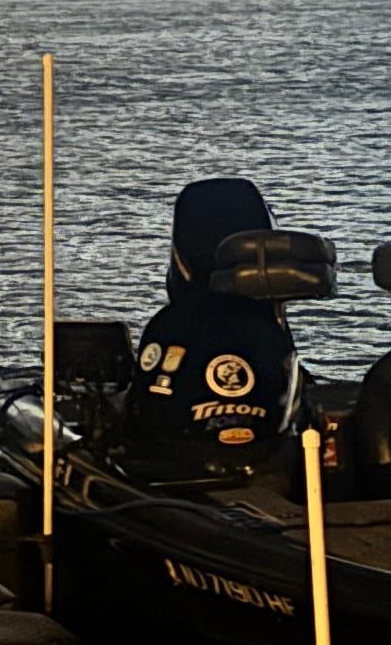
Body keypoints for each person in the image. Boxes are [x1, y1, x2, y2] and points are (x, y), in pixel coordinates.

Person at [126, 174, 305, 473]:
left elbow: (139, 412)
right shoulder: (267, 328)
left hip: (173, 465)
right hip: (272, 459)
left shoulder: (170, 326)